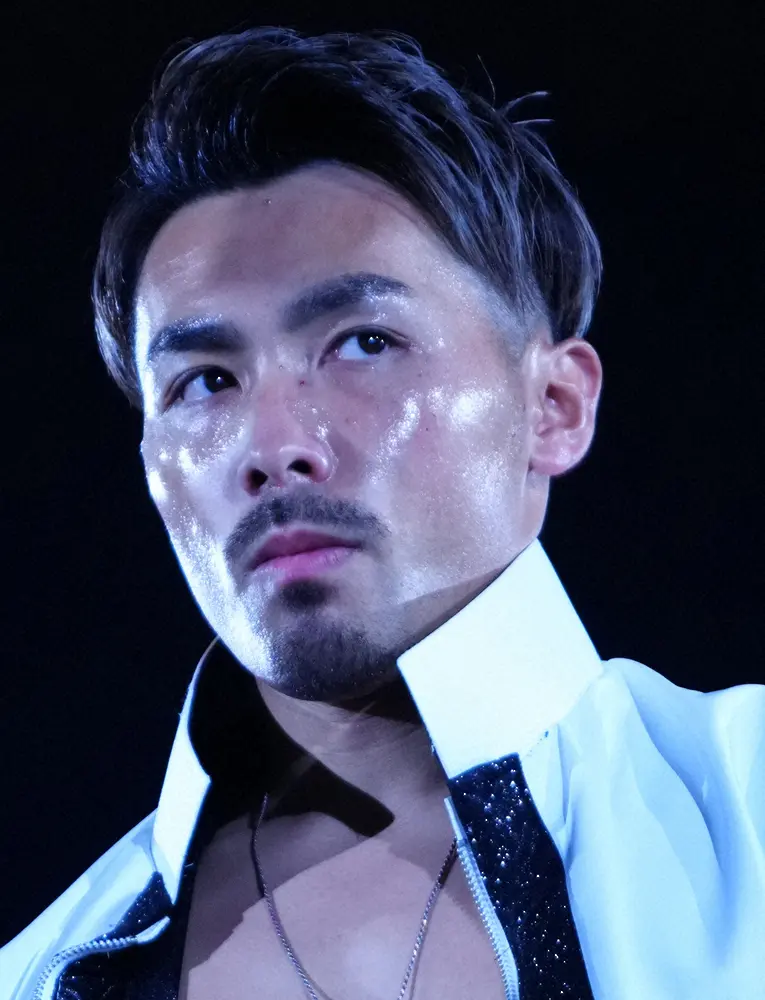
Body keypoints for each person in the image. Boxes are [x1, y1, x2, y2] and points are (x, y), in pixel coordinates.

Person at [2, 25, 763, 1000]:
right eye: (205, 381)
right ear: (153, 463)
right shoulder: (40, 973)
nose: (273, 444)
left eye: (362, 342)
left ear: (552, 407)